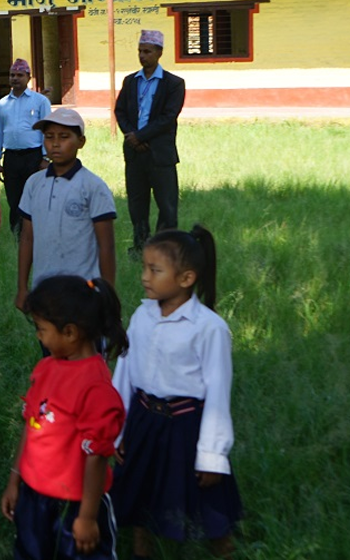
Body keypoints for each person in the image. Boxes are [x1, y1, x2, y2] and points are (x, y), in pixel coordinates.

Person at [113, 226, 241, 559]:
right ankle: (143, 553)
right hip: (143, 421)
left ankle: (223, 551)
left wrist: (212, 455)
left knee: (210, 509)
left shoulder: (209, 328)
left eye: (154, 270)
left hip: (186, 428)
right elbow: (125, 372)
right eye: (144, 267)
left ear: (186, 279)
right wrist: (117, 429)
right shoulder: (142, 315)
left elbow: (217, 393)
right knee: (141, 497)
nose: (144, 277)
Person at [1, 276, 129, 560]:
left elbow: (96, 456)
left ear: (70, 332)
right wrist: (15, 479)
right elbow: (31, 426)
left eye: (41, 329)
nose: (38, 336)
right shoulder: (46, 368)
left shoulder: (95, 387)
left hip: (76, 505)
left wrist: (86, 517)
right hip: (35, 497)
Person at [15, 108, 118, 314]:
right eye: (49, 137)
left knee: (84, 343)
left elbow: (106, 245)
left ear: (81, 142)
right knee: (49, 342)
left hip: (83, 290)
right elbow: (27, 238)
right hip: (43, 288)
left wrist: (108, 294)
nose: (55, 143)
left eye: (64, 137)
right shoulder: (34, 183)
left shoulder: (93, 186)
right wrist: (22, 288)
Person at [115, 29, 186, 257]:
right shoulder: (130, 82)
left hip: (160, 154)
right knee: (137, 204)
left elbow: (168, 117)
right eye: (140, 51)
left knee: (167, 205)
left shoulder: (173, 83)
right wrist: (131, 136)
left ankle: (164, 249)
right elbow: (120, 111)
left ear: (159, 53)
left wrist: (141, 136)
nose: (142, 56)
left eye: (147, 51)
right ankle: (140, 246)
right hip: (135, 154)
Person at [0, 59, 53, 238]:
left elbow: (47, 131)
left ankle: (38, 236)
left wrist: (46, 158)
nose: (15, 78)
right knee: (14, 199)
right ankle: (18, 238)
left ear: (28, 78)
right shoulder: (2, 104)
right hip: (11, 158)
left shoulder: (40, 101)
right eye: (12, 75)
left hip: (33, 158)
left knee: (35, 198)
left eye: (20, 75)